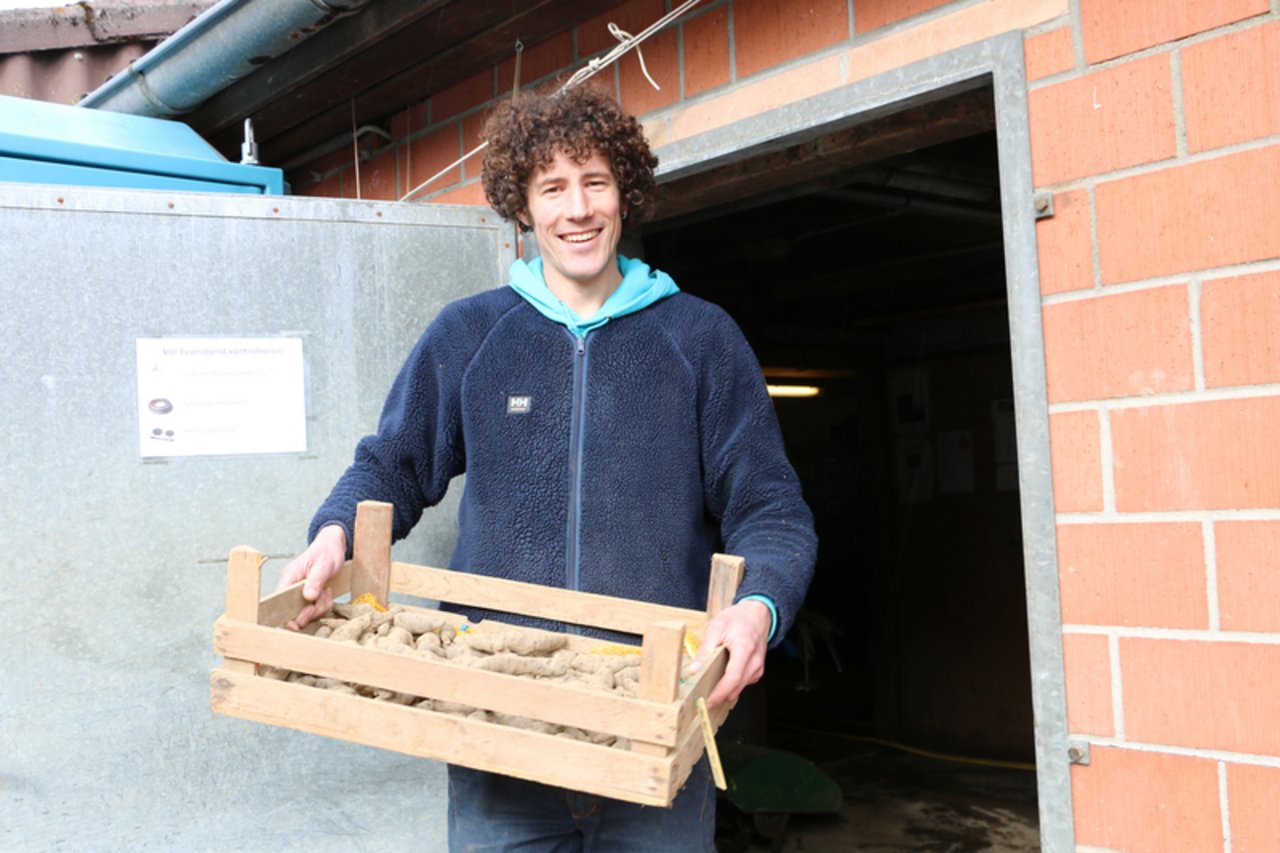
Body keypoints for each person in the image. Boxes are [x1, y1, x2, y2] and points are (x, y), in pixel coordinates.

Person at [276, 83, 817, 852]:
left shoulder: (700, 340)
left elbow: (771, 507)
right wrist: (335, 530)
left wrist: (760, 603)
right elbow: (391, 465)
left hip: (652, 724)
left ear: (624, 193)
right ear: (522, 207)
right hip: (499, 727)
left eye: (595, 181)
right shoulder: (470, 334)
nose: (578, 209)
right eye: (552, 187)